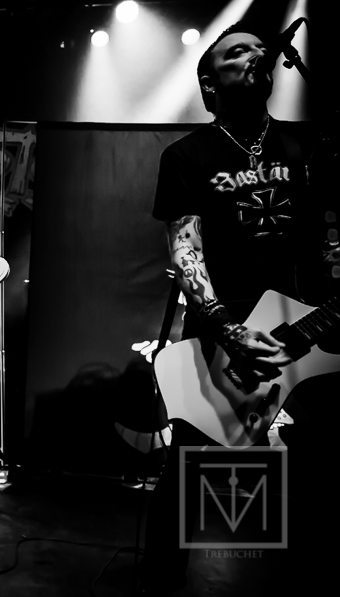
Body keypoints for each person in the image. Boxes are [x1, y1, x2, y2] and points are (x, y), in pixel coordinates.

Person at [144, 21, 338, 596]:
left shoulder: (309, 145)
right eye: (236, 51)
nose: (254, 53)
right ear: (210, 84)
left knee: (314, 483)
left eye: (259, 47)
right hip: (222, 343)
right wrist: (229, 330)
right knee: (186, 482)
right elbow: (187, 251)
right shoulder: (187, 155)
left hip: (306, 335)